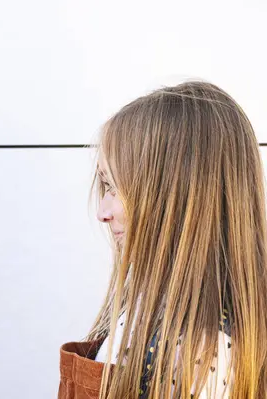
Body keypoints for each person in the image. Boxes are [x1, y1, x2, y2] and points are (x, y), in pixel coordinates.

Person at [59, 81, 267, 398]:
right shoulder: (156, 313)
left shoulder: (196, 351)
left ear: (177, 198)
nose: (103, 212)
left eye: (115, 187)